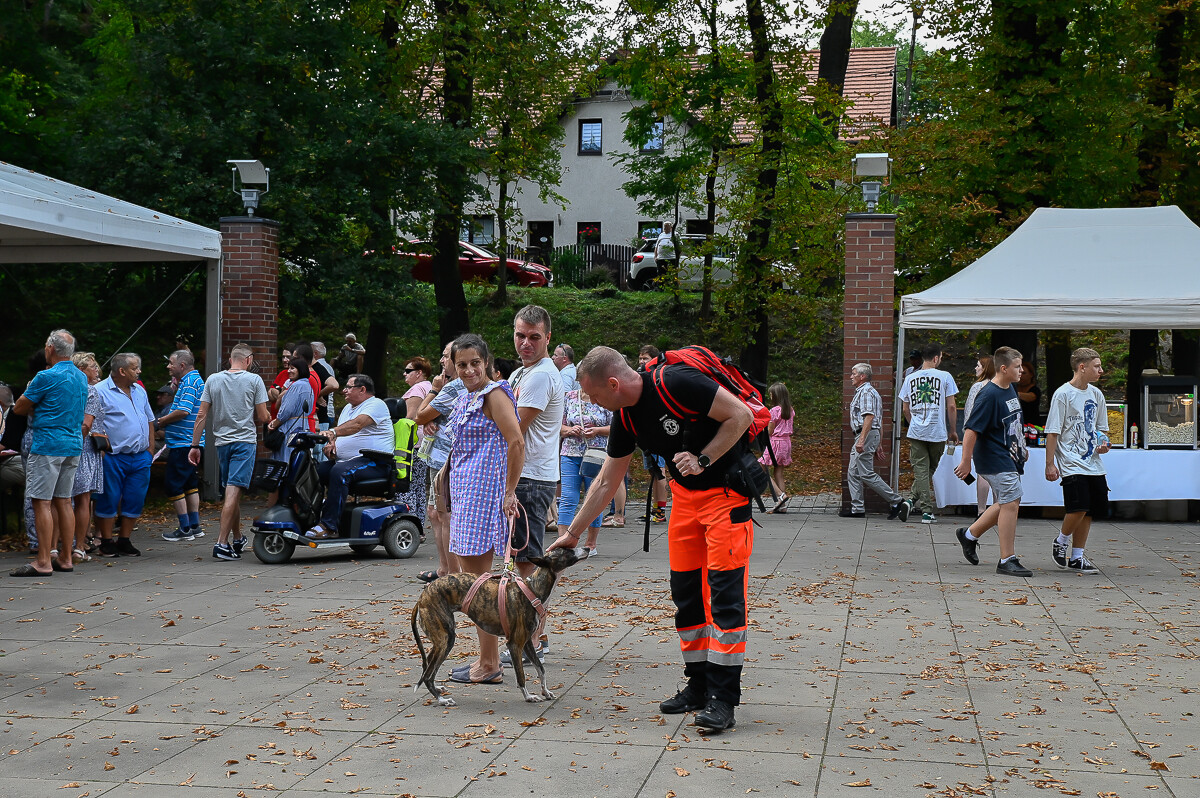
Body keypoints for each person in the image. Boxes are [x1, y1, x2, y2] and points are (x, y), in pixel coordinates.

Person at [550, 345, 755, 732]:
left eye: (594, 395)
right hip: (685, 503)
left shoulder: (676, 383)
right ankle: (699, 686)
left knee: (725, 599)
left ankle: (723, 699)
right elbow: (607, 481)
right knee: (687, 596)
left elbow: (741, 416)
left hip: (726, 499)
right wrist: (573, 534)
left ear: (613, 383)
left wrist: (703, 458)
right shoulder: (625, 416)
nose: (592, 403)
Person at [443, 334, 525, 686]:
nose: (469, 370)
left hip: (482, 497)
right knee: (474, 584)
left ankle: (490, 663)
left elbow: (516, 441)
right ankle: (486, 659)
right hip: (465, 496)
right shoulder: (467, 396)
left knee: (478, 585)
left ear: (487, 362)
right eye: (461, 364)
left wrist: (510, 490)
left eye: (475, 363)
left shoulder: (494, 394)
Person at [498, 305, 564, 663]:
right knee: (523, 561)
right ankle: (537, 637)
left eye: (534, 337)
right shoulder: (524, 372)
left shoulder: (539, 377)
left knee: (526, 564)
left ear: (547, 337)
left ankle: (533, 641)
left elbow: (511, 428)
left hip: (531, 479)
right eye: (520, 335)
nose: (525, 343)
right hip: (529, 477)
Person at [9, 330, 87, 577]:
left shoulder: (45, 376)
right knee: (64, 501)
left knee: (41, 501)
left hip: (48, 445)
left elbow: (19, 408)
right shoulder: (81, 376)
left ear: (50, 349)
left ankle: (43, 560)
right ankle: (66, 557)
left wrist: (35, 404)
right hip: (73, 444)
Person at [953, 347, 1032, 577]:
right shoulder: (988, 395)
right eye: (1017, 367)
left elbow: (1012, 422)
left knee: (1009, 500)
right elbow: (971, 430)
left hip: (1008, 455)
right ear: (1004, 368)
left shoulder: (1010, 388)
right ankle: (1007, 559)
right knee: (1011, 502)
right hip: (993, 457)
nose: (1022, 371)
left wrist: (1021, 447)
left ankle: (969, 535)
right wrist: (965, 461)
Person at [189, 344, 270, 560]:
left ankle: (238, 537)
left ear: (231, 358)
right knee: (233, 493)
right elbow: (263, 416)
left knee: (231, 492)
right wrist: (273, 416)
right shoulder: (254, 380)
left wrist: (195, 446)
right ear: (249, 360)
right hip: (244, 443)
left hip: (222, 443)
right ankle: (221, 543)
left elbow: (201, 415)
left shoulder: (213, 380)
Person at [1043, 348, 1110, 575]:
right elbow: (1052, 431)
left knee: (1088, 510)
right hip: (1071, 462)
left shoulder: (1096, 395)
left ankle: (1077, 557)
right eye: (1097, 366)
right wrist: (1050, 463)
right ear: (1082, 367)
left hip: (1094, 463)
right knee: (1078, 506)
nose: (1101, 370)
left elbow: (1101, 430)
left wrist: (1103, 443)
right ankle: (1061, 540)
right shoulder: (1063, 394)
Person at [307, 373, 394, 540]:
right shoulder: (348, 408)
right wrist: (332, 444)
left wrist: (332, 432)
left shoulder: (376, 404)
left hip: (375, 462)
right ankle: (310, 516)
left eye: (348, 387)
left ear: (362, 389)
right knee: (314, 470)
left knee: (340, 471)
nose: (344, 390)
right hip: (348, 461)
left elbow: (357, 424)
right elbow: (342, 432)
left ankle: (330, 526)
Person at [93, 352, 155, 558]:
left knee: (135, 497)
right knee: (108, 498)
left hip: (140, 456)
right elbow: (93, 422)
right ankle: (106, 541)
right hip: (113, 455)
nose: (139, 371)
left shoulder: (139, 391)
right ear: (121, 371)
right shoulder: (100, 391)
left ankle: (124, 540)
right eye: (135, 368)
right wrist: (102, 451)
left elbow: (149, 419)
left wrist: (150, 450)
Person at [414, 342, 468, 582]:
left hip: (445, 458)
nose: (441, 361)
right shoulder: (456, 386)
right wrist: (430, 419)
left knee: (443, 514)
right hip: (442, 456)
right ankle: (446, 569)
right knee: (435, 513)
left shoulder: (453, 387)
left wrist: (434, 390)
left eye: (445, 356)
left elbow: (419, 414)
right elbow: (429, 417)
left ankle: (452, 573)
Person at [899, 343, 959, 524]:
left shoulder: (910, 378)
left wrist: (913, 424)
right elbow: (951, 406)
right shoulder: (945, 376)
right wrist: (953, 430)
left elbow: (905, 408)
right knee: (929, 469)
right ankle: (926, 510)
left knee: (922, 470)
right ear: (936, 358)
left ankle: (911, 500)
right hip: (937, 431)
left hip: (916, 431)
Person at [842, 363, 909, 520]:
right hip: (868, 435)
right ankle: (857, 508)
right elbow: (879, 419)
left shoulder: (866, 392)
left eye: (853, 373)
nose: (851, 376)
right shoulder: (868, 392)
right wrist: (877, 443)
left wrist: (862, 441)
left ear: (862, 376)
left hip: (864, 435)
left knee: (865, 473)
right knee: (853, 472)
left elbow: (870, 417)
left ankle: (897, 501)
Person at [558, 384, 611, 559]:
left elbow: (616, 426)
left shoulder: (604, 397)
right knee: (568, 498)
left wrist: (597, 431)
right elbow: (558, 425)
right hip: (570, 453)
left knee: (594, 497)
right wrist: (569, 430)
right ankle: (563, 543)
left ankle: (590, 544)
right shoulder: (570, 397)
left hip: (596, 454)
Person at [157, 350, 205, 542]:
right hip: (189, 442)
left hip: (183, 443)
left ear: (182, 365)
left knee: (173, 484)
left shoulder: (190, 382)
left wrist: (162, 421)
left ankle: (185, 528)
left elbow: (184, 411)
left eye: (171, 363)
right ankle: (194, 526)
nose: (168, 366)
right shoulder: (192, 381)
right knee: (189, 484)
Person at [69, 352, 106, 559]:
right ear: (81, 370)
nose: (97, 370)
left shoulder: (64, 388)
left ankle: (59, 546)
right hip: (84, 448)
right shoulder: (90, 391)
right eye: (93, 366)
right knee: (83, 500)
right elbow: (87, 424)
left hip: (63, 445)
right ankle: (79, 546)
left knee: (62, 499)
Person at [396, 356, 434, 528]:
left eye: (408, 371)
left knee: (407, 485)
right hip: (424, 443)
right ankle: (419, 527)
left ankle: (408, 524)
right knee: (419, 486)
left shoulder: (417, 389)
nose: (405, 374)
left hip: (411, 444)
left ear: (419, 373)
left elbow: (409, 418)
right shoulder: (430, 387)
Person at [637, 344, 669, 523]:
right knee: (653, 471)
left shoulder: (658, 377)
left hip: (658, 432)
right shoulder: (641, 376)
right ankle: (654, 509)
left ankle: (660, 511)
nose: (642, 361)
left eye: (645, 358)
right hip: (645, 431)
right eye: (640, 358)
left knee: (660, 471)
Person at [962, 355, 997, 515]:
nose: (976, 368)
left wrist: (966, 435)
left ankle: (981, 509)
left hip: (980, 434)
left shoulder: (977, 387)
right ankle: (997, 509)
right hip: (996, 434)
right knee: (997, 473)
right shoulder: (1001, 386)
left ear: (985, 368)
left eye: (978, 365)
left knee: (982, 473)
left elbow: (969, 413)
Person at [267, 355, 315, 466]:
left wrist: (275, 423)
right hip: (303, 426)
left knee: (285, 460)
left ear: (301, 370)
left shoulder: (296, 386)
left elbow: (286, 410)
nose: (289, 371)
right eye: (289, 368)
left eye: (292, 368)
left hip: (290, 428)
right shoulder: (307, 385)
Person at [757, 382, 794, 513]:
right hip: (786, 443)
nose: (770, 396)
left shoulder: (774, 411)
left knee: (761, 468)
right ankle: (782, 505)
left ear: (776, 395)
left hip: (775, 443)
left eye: (771, 394)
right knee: (778, 472)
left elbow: (770, 431)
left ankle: (780, 495)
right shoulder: (790, 410)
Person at [309, 341, 339, 432]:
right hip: (329, 411)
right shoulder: (329, 367)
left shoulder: (317, 368)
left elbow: (333, 386)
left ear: (315, 353)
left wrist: (317, 395)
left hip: (321, 413)